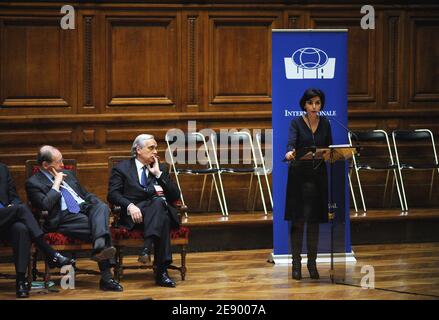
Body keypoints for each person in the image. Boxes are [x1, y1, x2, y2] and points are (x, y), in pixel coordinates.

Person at [25, 146, 123, 292]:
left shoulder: (68, 174)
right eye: (58, 162)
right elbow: (45, 205)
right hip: (63, 218)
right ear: (45, 165)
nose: (63, 165)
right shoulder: (33, 183)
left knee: (101, 207)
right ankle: (106, 276)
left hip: (84, 209)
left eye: (62, 160)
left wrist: (95, 202)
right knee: (100, 229)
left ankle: (99, 247)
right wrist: (56, 183)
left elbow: (84, 194)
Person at [108, 134, 181, 287]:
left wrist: (158, 175)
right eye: (151, 148)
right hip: (135, 217)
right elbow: (112, 194)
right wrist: (129, 205)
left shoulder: (161, 168)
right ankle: (162, 272)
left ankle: (147, 248)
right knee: (162, 214)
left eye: (156, 147)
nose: (156, 151)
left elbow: (175, 195)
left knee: (158, 204)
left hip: (157, 215)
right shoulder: (122, 168)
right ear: (138, 150)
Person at [0, 162, 74, 298]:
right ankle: (50, 253)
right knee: (21, 209)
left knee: (20, 228)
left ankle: (21, 281)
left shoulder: (2, 169)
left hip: (5, 220)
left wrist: (12, 205)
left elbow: (14, 197)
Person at [284, 88, 333, 280]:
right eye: (311, 103)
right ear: (304, 104)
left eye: (318, 103)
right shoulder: (296, 122)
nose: (314, 106)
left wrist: (331, 155)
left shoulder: (326, 123)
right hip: (299, 178)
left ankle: (312, 264)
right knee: (299, 221)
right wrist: (290, 152)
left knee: (314, 222)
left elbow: (329, 147)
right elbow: (291, 144)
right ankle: (296, 264)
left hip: (318, 177)